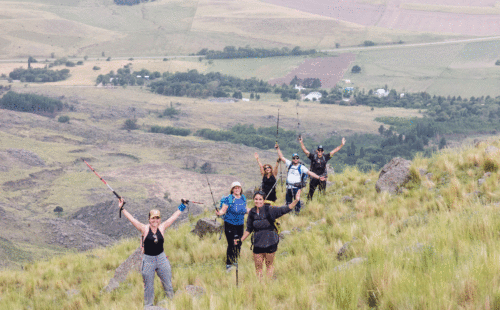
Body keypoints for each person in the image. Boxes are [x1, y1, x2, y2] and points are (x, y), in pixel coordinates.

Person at [118, 197, 188, 306]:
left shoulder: (162, 227)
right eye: (153, 218)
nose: (155, 220)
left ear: (160, 219)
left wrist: (182, 205)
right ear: (149, 219)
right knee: (148, 287)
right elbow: (132, 219)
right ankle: (148, 307)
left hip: (161, 258)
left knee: (168, 284)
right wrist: (122, 208)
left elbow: (174, 217)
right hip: (148, 260)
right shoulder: (144, 229)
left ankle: (171, 303)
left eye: (157, 218)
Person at [238, 190, 300, 279]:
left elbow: (285, 209)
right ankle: (260, 286)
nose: (258, 201)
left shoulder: (270, 209)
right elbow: (249, 229)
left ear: (264, 200)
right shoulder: (252, 212)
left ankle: (268, 285)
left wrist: (296, 200)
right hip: (257, 243)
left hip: (270, 242)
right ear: (253, 200)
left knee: (269, 265)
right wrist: (240, 240)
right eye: (256, 199)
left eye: (260, 199)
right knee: (258, 267)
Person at [275, 143, 325, 213]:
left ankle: (297, 214)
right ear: (292, 159)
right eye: (294, 158)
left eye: (297, 158)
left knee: (297, 202)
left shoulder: (301, 167)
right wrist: (278, 149)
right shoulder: (289, 164)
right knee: (288, 203)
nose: (295, 159)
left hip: (296, 187)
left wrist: (319, 177)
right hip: (289, 187)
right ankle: (288, 215)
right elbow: (281, 157)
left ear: (298, 159)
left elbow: (310, 173)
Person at [215, 181, 251, 271]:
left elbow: (245, 209)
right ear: (232, 189)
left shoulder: (243, 198)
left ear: (241, 189)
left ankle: (236, 261)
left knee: (239, 243)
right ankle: (229, 264)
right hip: (230, 224)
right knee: (231, 244)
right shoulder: (229, 198)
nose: (237, 189)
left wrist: (255, 210)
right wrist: (219, 213)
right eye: (235, 188)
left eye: (238, 187)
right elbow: (223, 210)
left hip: (240, 224)